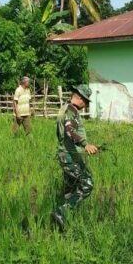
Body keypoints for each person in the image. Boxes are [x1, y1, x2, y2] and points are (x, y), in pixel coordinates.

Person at [51, 84, 98, 231]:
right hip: (70, 156)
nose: (85, 105)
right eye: (85, 101)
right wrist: (85, 144)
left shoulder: (64, 109)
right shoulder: (71, 110)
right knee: (87, 184)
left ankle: (60, 223)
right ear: (78, 97)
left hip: (65, 154)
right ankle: (62, 212)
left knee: (70, 188)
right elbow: (69, 130)